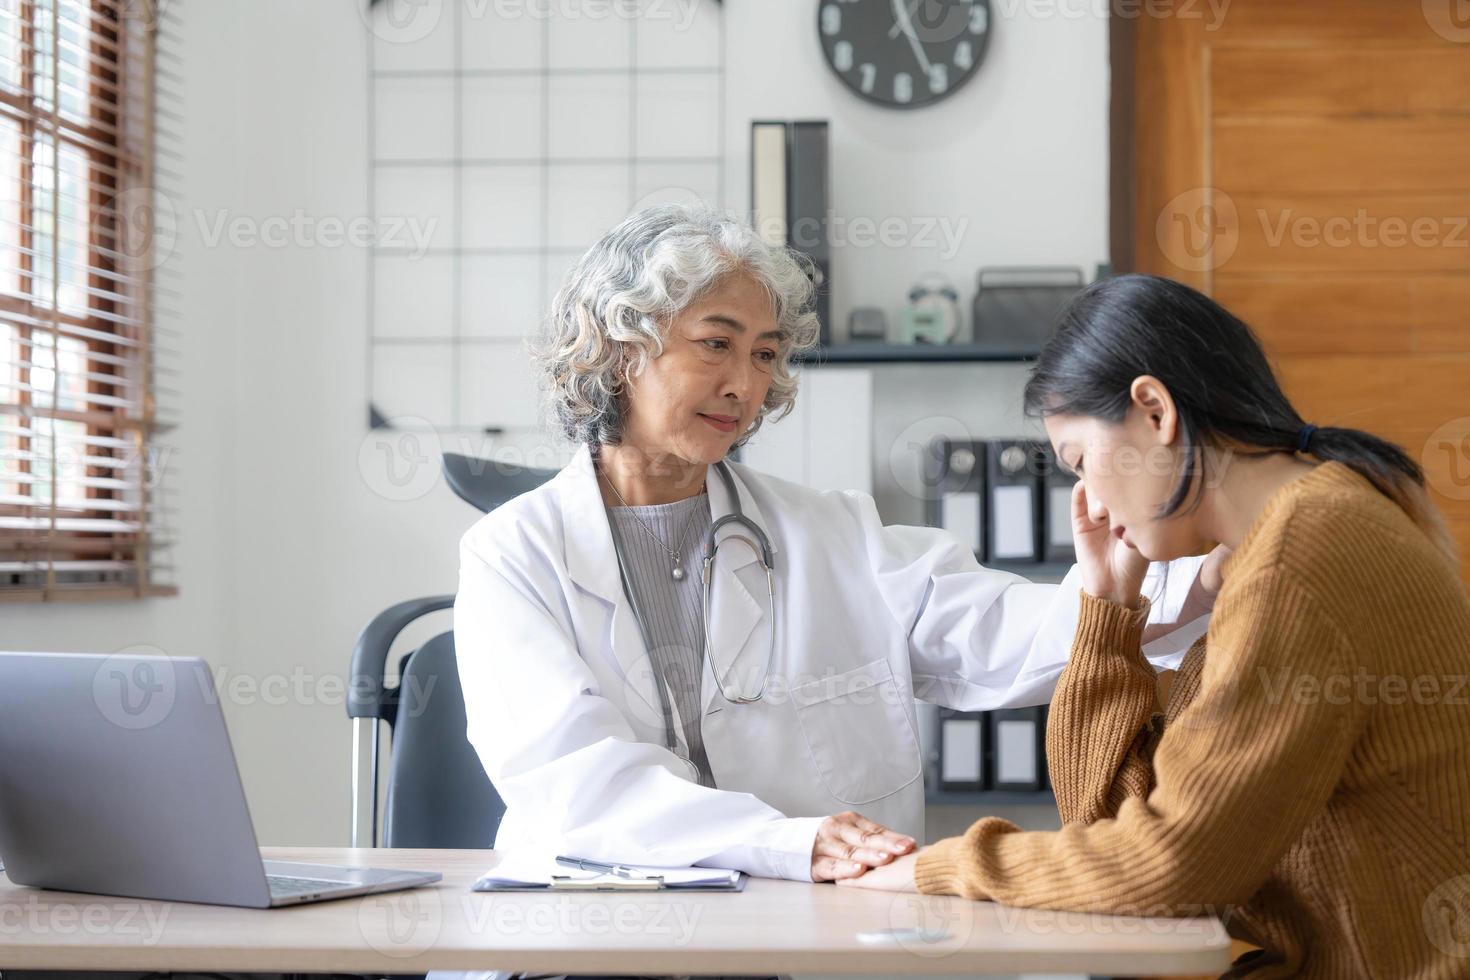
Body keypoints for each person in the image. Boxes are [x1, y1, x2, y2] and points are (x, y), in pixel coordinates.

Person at [454, 208, 1216, 887]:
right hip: (590, 928)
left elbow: (1001, 632)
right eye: (716, 344)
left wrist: (1191, 578)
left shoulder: (831, 535)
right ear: (622, 350)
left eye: (764, 355)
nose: (744, 386)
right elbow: (576, 780)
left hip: (803, 937)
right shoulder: (512, 556)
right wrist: (784, 842)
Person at [843, 273, 1470, 978]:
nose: (1092, 506)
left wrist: (943, 864)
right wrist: (1107, 612)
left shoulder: (1301, 558)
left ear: (1154, 410)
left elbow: (1170, 868)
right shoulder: (1283, 540)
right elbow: (1115, 824)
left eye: (1081, 462)